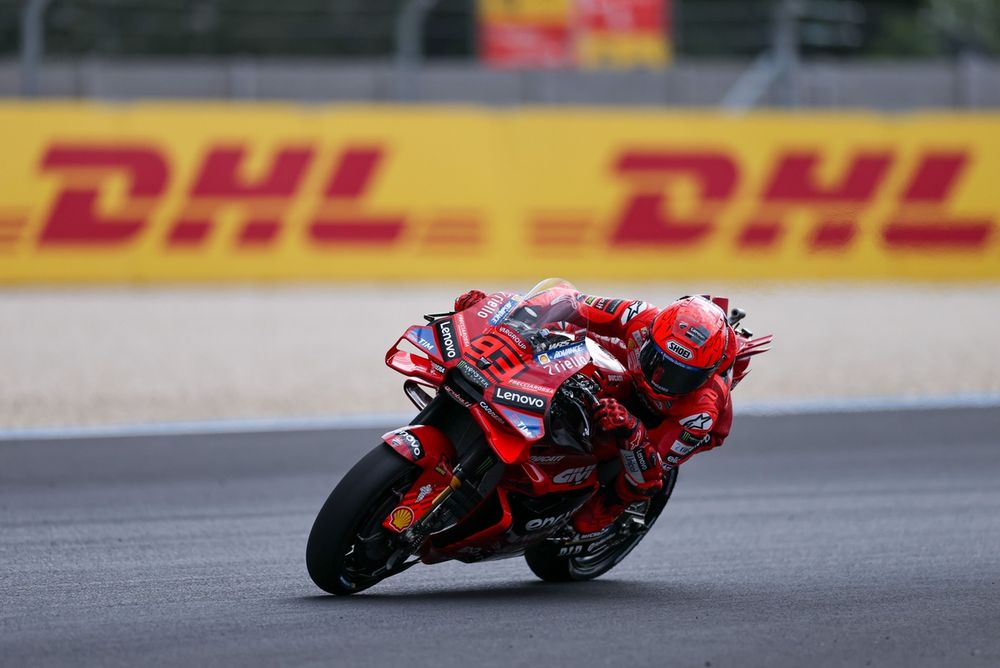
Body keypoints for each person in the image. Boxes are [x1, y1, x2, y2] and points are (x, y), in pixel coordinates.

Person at [453, 288, 738, 534]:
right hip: (625, 374)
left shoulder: (702, 411)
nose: (661, 378)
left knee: (626, 495)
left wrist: (631, 429)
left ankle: (613, 505)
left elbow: (654, 465)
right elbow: (569, 301)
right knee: (559, 330)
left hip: (658, 423)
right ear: (650, 338)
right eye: (658, 361)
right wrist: (500, 315)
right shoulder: (640, 316)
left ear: (705, 374)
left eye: (681, 376)